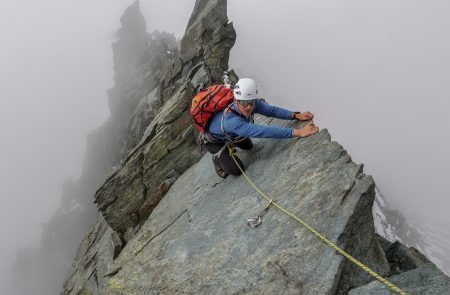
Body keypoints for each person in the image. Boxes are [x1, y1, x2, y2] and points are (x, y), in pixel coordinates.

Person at [203, 78, 319, 178]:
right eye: (243, 102)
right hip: (214, 140)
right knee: (237, 170)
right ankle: (217, 156)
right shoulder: (230, 121)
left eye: (250, 102)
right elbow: (262, 131)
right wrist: (300, 132)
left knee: (249, 146)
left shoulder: (252, 103)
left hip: (232, 133)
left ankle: (231, 140)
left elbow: (271, 110)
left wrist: (295, 115)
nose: (248, 107)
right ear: (236, 100)